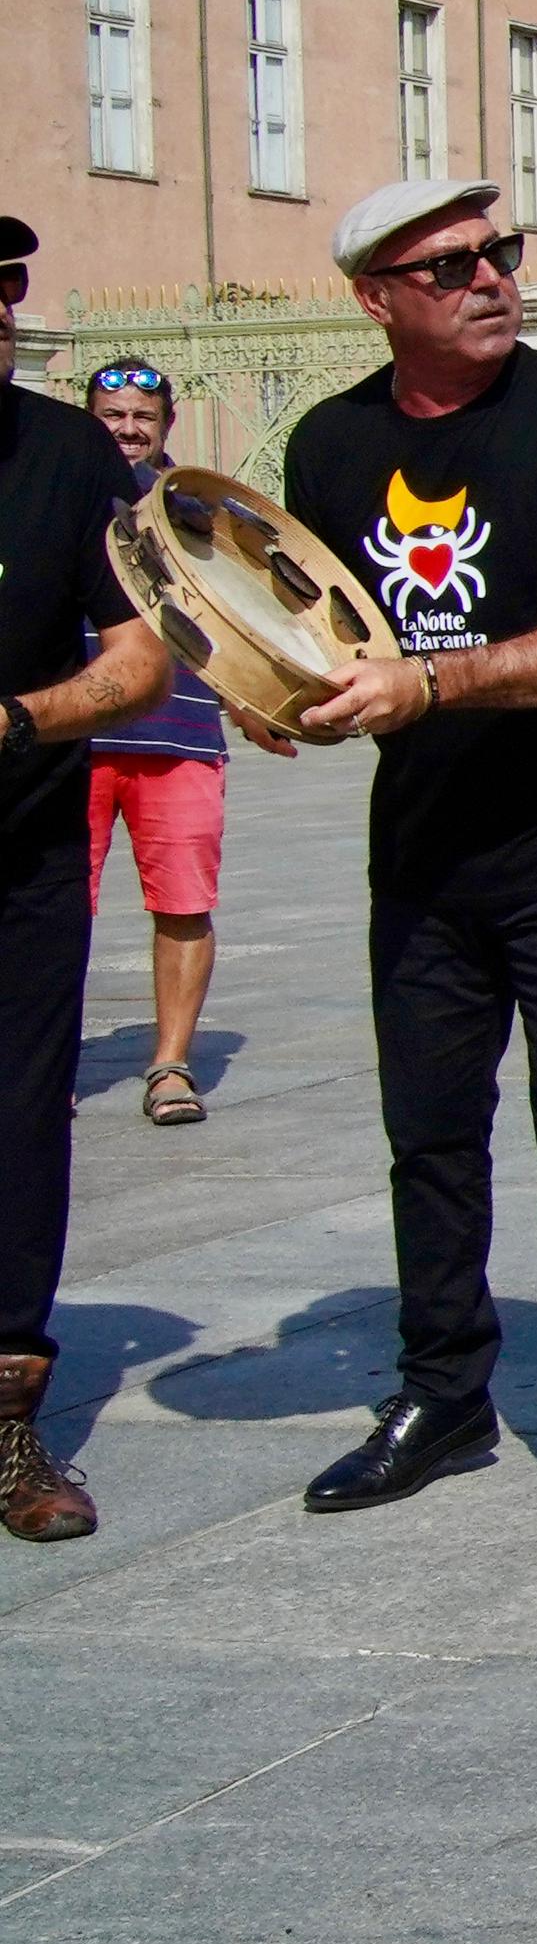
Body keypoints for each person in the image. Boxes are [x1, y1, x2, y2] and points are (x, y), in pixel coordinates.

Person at [277, 174, 537, 1558]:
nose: (489, 278)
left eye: (499, 252)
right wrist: (277, 693)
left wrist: (430, 687)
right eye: (449, 266)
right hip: (428, 857)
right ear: (377, 298)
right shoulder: (329, 444)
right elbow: (314, 637)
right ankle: (443, 1394)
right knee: (432, 1142)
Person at [0, 322, 175, 1545]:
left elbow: (141, 659)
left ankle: (8, 1414)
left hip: (21, 855)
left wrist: (19, 720)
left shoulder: (66, 457)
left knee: (17, 1124)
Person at [77, 358, 226, 1125]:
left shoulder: (193, 508)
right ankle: (42, 1062)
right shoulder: (60, 489)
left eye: (142, 415)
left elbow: (237, 612)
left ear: (166, 424)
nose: (128, 427)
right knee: (57, 905)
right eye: (112, 414)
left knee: (184, 902)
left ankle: (171, 1065)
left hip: (182, 730)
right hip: (74, 738)